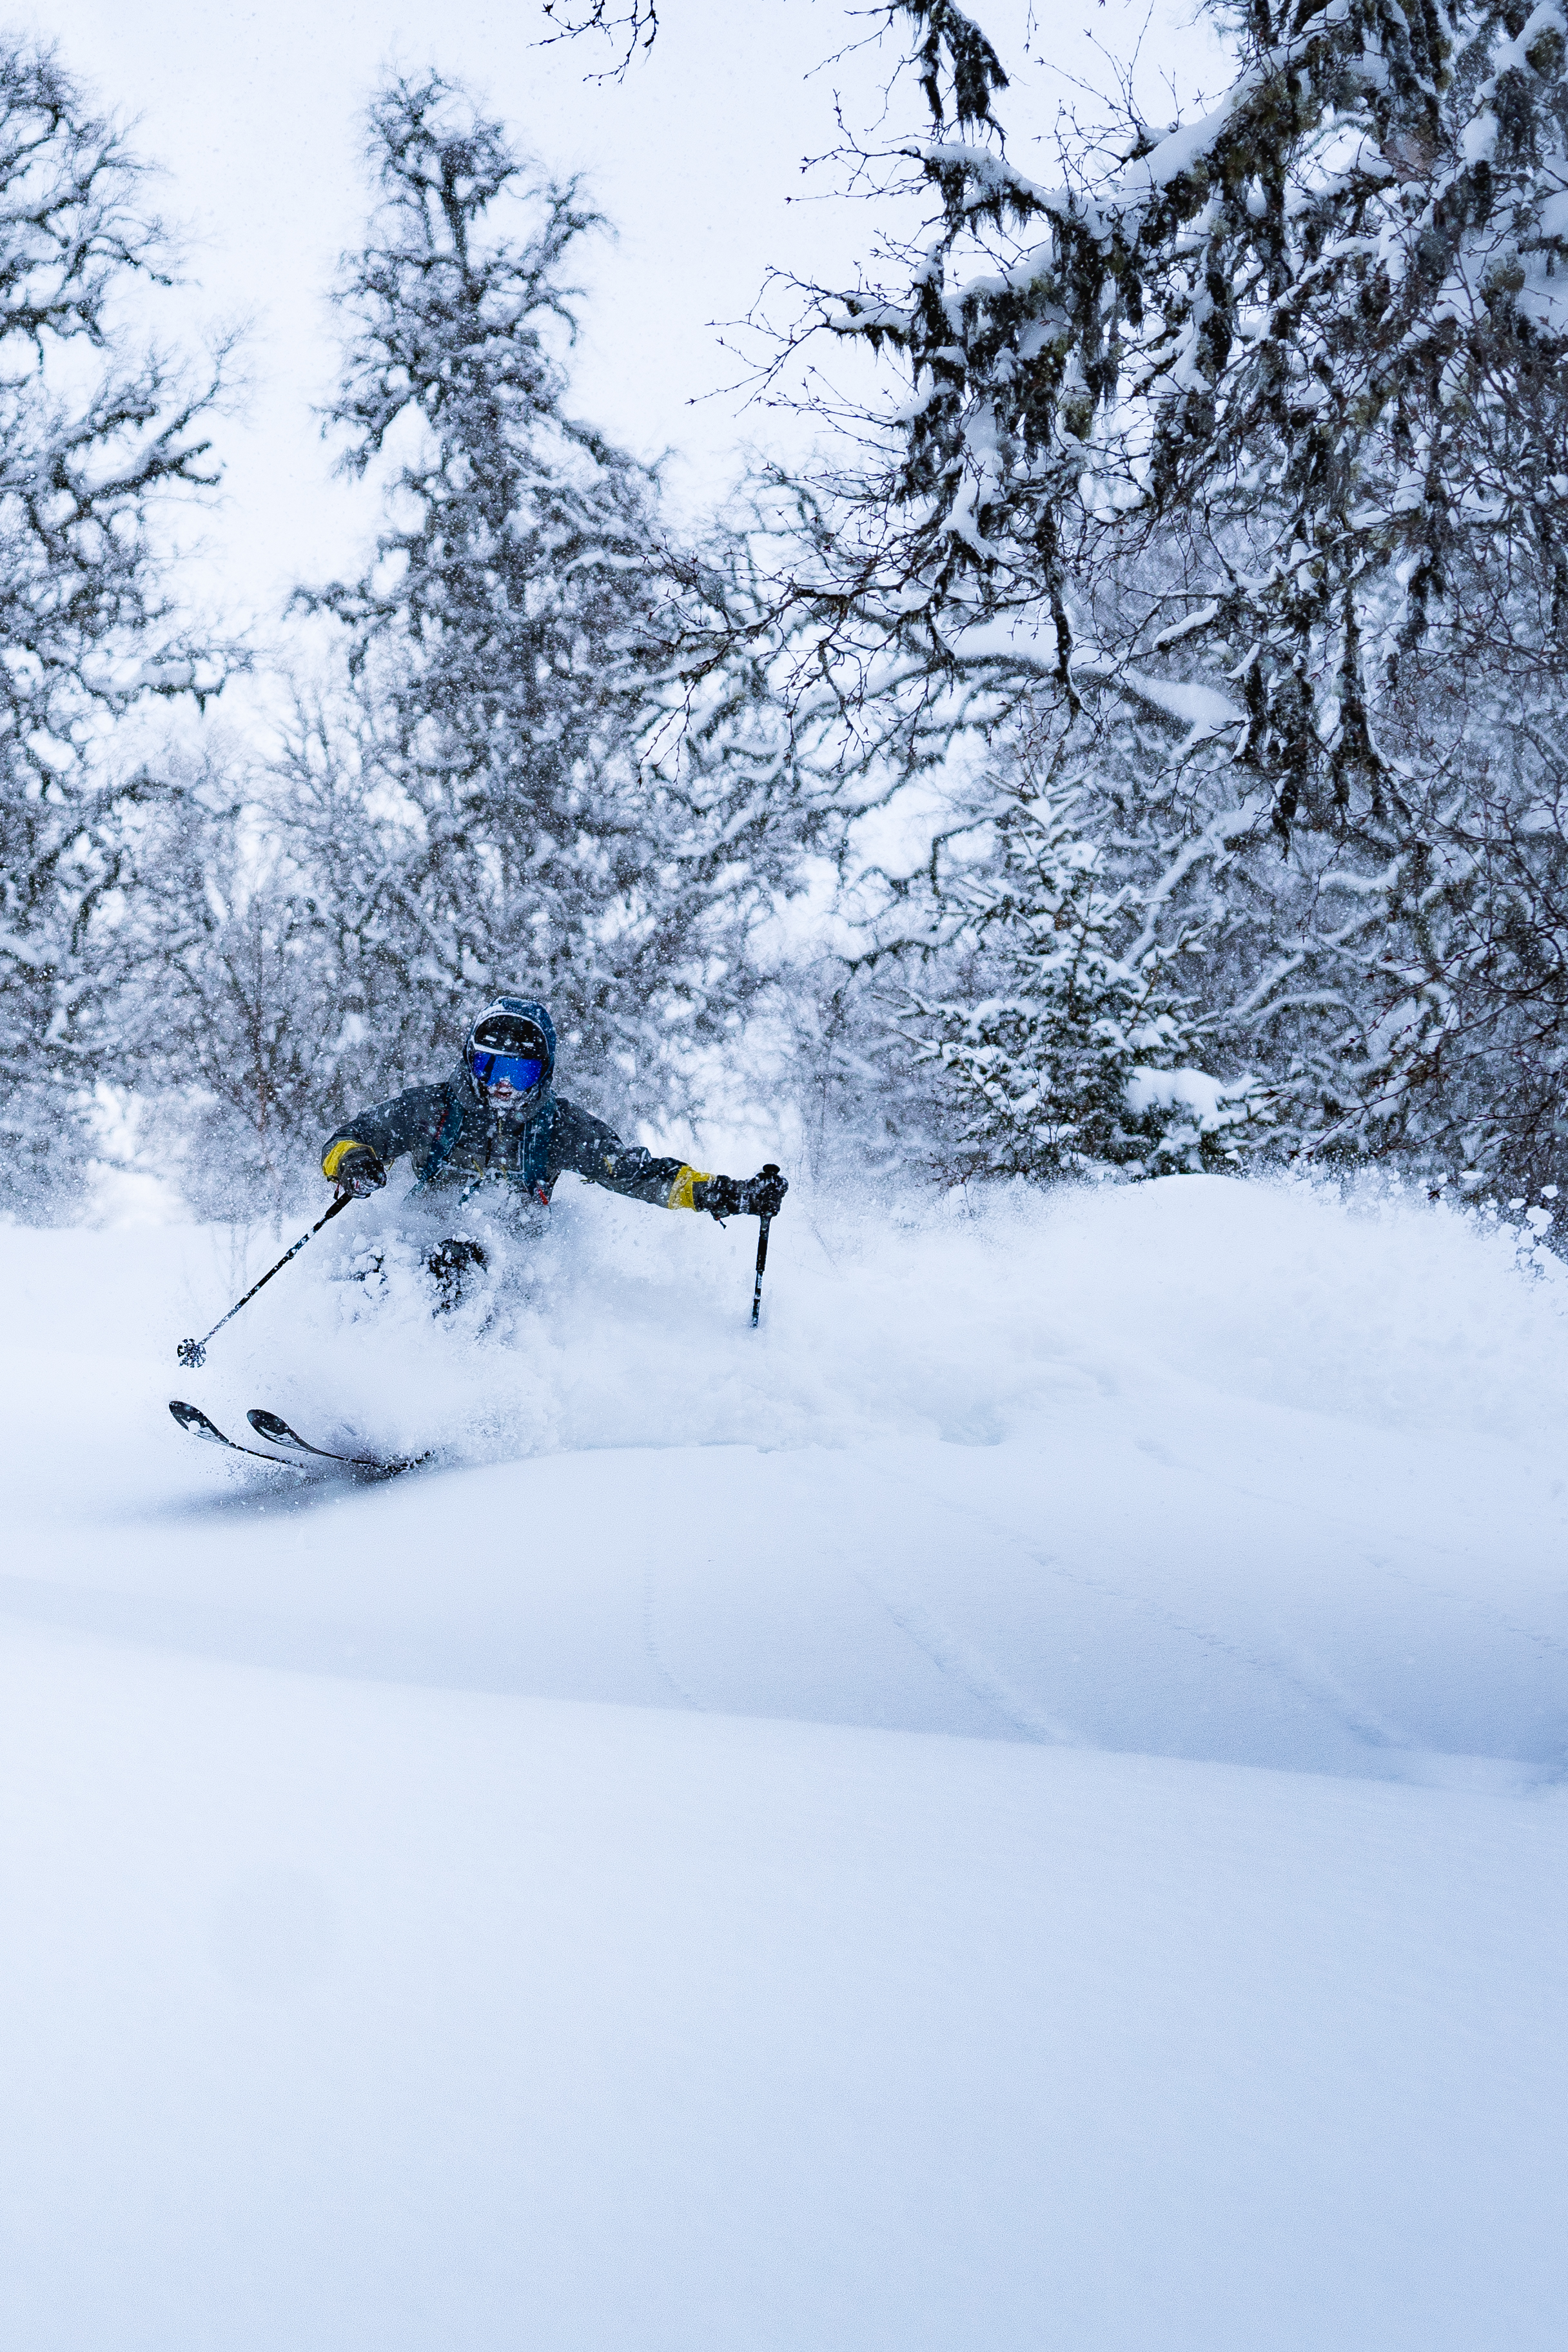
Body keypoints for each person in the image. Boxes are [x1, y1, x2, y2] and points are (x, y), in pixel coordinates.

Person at [319, 995, 787, 1300]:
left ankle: (442, 1401)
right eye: (488, 1067)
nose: (502, 1085)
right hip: (422, 1234)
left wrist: (726, 1194)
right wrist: (354, 1161)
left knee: (454, 1264)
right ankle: (352, 1384)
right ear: (470, 1061)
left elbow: (635, 1172)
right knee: (373, 1265)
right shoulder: (433, 1110)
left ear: (541, 1073)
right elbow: (345, 1141)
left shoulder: (559, 1127)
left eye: (518, 1073)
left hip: (509, 1262)